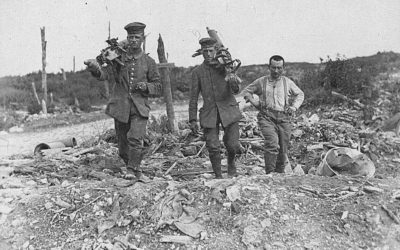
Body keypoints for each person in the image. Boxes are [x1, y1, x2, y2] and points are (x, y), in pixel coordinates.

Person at [85, 22, 161, 180]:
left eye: (137, 37)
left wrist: (146, 86)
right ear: (127, 38)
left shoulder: (149, 62)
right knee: (123, 147)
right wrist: (94, 68)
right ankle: (133, 166)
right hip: (121, 107)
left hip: (139, 107)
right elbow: (105, 74)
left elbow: (158, 86)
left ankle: (132, 170)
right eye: (130, 37)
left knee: (135, 137)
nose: (133, 40)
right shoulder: (117, 58)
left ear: (142, 40)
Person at [189, 37, 242, 179]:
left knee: (232, 145)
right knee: (213, 146)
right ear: (201, 52)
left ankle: (231, 164)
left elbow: (236, 91)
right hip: (209, 113)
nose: (208, 54)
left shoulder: (226, 67)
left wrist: (233, 81)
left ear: (216, 50)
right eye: (204, 51)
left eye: (210, 51)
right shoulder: (197, 72)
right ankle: (218, 176)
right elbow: (193, 98)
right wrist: (192, 119)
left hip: (229, 111)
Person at [242, 55, 304, 174]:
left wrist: (294, 107)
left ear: (283, 68)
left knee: (283, 149)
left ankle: (279, 175)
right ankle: (269, 174)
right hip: (267, 117)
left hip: (284, 118)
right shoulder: (261, 81)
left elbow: (300, 94)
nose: (276, 71)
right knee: (272, 143)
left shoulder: (287, 82)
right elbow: (246, 91)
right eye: (274, 68)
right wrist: (252, 100)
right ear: (269, 67)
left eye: (279, 68)